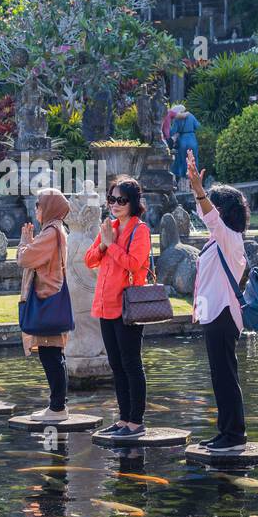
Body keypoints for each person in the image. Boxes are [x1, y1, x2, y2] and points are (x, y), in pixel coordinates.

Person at [187, 150, 251, 451]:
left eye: (213, 202)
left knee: (225, 375)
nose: (206, 207)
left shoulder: (228, 237)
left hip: (224, 315)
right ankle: (226, 431)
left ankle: (234, 435)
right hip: (213, 314)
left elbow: (209, 217)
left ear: (222, 211)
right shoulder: (219, 238)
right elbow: (208, 217)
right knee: (220, 375)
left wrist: (200, 193)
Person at [85, 176, 151, 437]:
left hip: (128, 307)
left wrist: (110, 245)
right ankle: (124, 419)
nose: (114, 204)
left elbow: (134, 264)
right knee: (116, 364)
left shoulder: (140, 230)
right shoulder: (109, 226)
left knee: (131, 363)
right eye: (111, 199)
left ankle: (136, 421)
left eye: (120, 200)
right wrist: (104, 242)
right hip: (105, 305)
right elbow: (89, 259)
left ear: (133, 202)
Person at [18, 187, 73, 421]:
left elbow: (25, 258)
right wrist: (30, 243)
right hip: (52, 295)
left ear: (49, 207)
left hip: (47, 297)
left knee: (51, 355)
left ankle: (58, 407)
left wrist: (24, 242)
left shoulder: (51, 232)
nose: (37, 210)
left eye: (39, 205)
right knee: (53, 354)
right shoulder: (56, 229)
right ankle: (56, 405)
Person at [169, 104, 200, 182]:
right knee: (194, 160)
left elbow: (172, 132)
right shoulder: (191, 116)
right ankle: (195, 179)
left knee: (183, 161)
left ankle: (184, 180)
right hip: (192, 139)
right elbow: (198, 126)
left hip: (182, 140)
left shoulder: (177, 119)